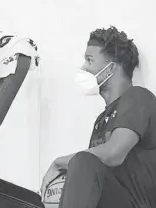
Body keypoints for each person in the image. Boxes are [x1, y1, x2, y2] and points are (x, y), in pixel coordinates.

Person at [41, 26, 156, 208]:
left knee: (83, 161)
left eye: (89, 60)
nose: (83, 67)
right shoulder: (101, 121)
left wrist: (59, 162)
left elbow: (113, 154)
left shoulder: (138, 97)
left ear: (112, 68)